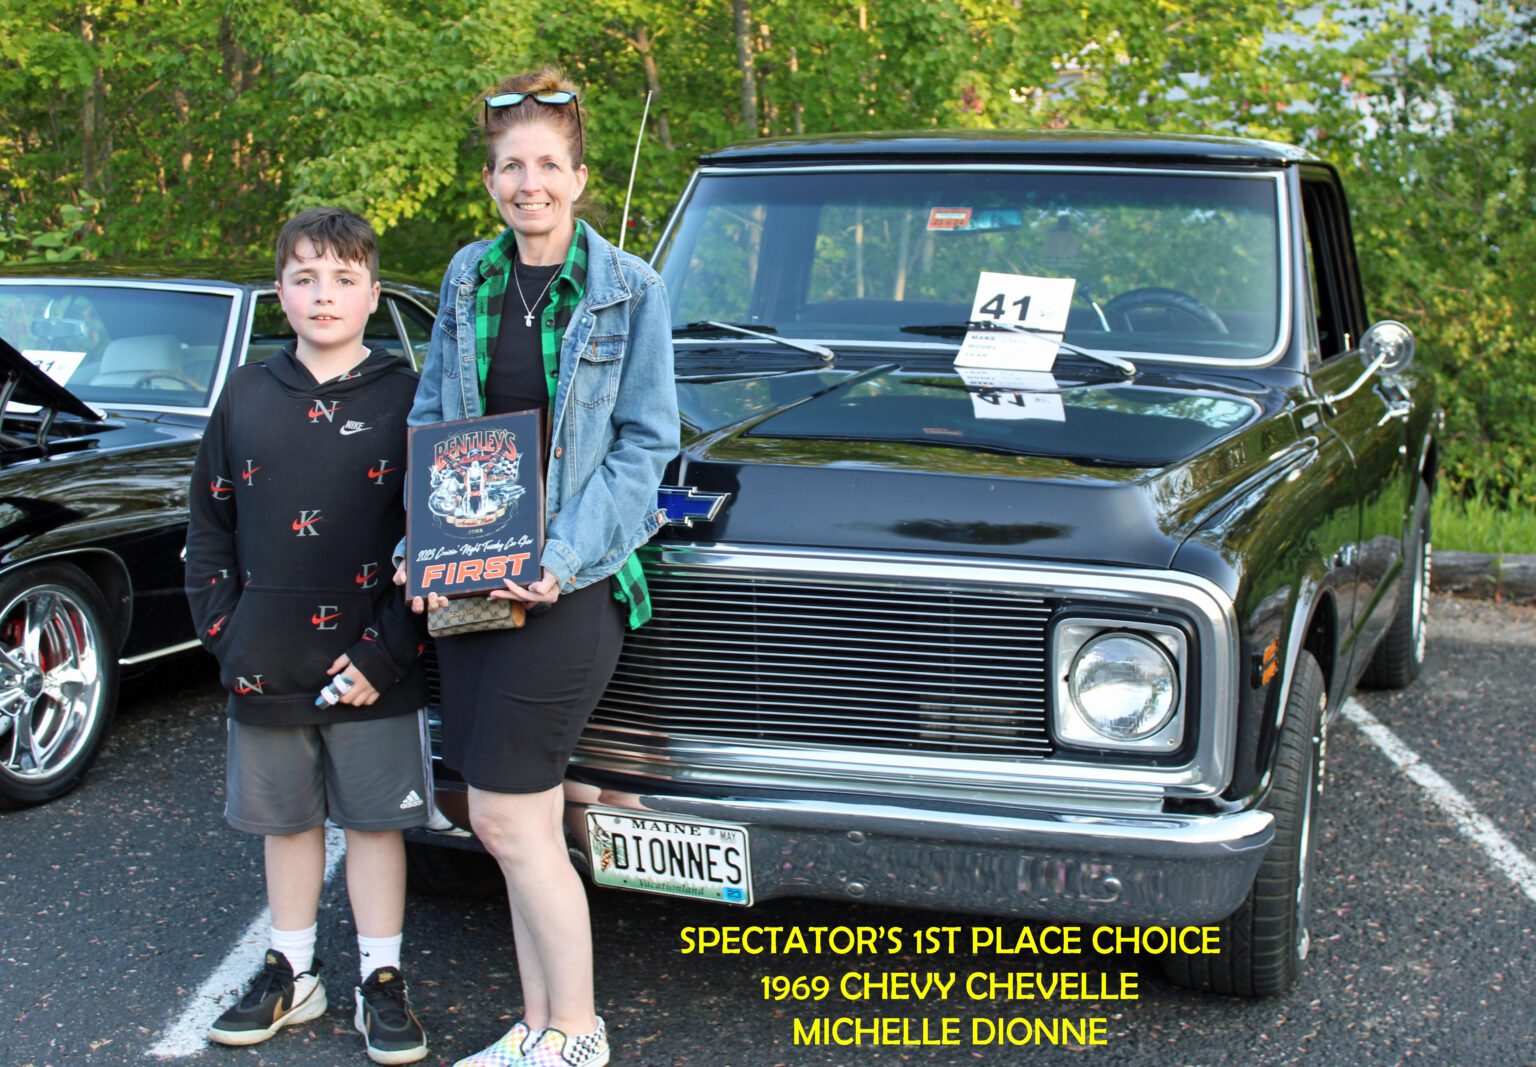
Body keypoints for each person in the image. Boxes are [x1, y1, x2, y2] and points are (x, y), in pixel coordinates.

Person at [399, 66, 679, 1067]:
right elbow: (436, 419)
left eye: (548, 163)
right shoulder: (468, 275)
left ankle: (579, 1030)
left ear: (580, 174)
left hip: (571, 586)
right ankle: (535, 1023)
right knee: (492, 812)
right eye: (511, 165)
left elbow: (646, 447)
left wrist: (559, 558)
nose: (531, 182)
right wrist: (420, 551)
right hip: (472, 581)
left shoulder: (629, 289)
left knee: (516, 813)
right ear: (491, 180)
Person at [187, 207, 431, 1065]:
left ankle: (381, 975)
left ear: (372, 292)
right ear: (280, 293)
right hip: (267, 659)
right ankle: (293, 967)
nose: (323, 294)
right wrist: (226, 635)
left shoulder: (411, 398)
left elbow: (432, 541)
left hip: (373, 664)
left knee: (373, 824)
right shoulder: (247, 395)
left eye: (342, 278)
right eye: (304, 277)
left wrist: (387, 651)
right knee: (285, 822)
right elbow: (208, 525)